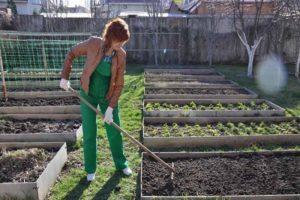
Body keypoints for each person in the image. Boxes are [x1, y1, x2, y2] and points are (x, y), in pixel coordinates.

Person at [59, 17, 132, 181]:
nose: (121, 46)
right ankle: (90, 169)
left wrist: (111, 108)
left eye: (123, 43)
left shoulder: (121, 55)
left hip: (107, 95)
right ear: (110, 37)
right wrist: (65, 77)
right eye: (119, 42)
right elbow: (72, 53)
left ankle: (121, 164)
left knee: (114, 131)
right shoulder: (93, 44)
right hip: (87, 94)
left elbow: (119, 84)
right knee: (90, 132)